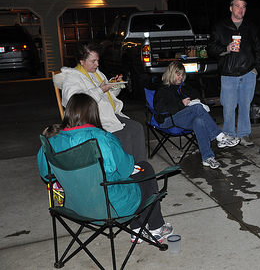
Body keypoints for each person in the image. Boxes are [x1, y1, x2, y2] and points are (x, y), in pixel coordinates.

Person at [37, 93, 173, 244]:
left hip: (77, 206)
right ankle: (155, 228)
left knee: (134, 176)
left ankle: (137, 228)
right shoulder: (103, 138)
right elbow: (125, 169)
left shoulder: (51, 142)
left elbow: (46, 175)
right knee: (145, 169)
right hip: (111, 208)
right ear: (94, 113)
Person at [54, 41, 147, 163]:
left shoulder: (97, 74)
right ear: (82, 61)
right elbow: (75, 102)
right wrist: (100, 90)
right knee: (124, 134)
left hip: (108, 114)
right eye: (93, 61)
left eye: (98, 60)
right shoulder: (72, 78)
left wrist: (114, 86)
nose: (97, 64)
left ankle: (139, 167)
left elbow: (107, 97)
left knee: (137, 128)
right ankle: (125, 172)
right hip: (91, 119)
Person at [153, 61, 239, 169]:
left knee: (199, 121)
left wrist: (198, 100)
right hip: (167, 119)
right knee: (197, 109)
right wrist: (181, 104)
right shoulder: (163, 89)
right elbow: (160, 109)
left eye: (182, 75)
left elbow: (197, 96)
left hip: (185, 118)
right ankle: (220, 136)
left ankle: (208, 158)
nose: (181, 77)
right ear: (170, 74)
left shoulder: (185, 87)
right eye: (178, 74)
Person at [208, 0, 260, 148]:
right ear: (231, 8)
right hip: (228, 73)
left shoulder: (251, 27)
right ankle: (229, 135)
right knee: (229, 106)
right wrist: (226, 48)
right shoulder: (220, 27)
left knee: (245, 105)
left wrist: (256, 68)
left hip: (248, 73)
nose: (241, 9)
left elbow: (259, 49)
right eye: (238, 6)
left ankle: (244, 135)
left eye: (243, 6)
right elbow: (211, 48)